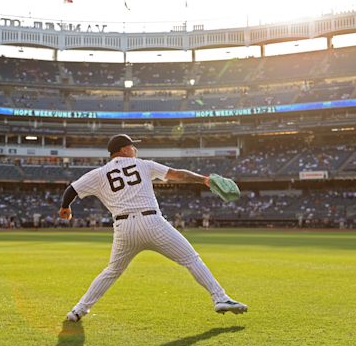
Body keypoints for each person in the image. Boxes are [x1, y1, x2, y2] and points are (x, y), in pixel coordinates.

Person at [59, 134, 247, 322]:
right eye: (132, 146)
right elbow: (178, 174)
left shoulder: (99, 173)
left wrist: (65, 207)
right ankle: (220, 298)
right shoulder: (143, 164)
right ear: (124, 150)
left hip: (125, 228)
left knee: (112, 272)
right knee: (191, 259)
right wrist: (204, 180)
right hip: (153, 223)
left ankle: (78, 310)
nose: (135, 150)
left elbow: (72, 189)